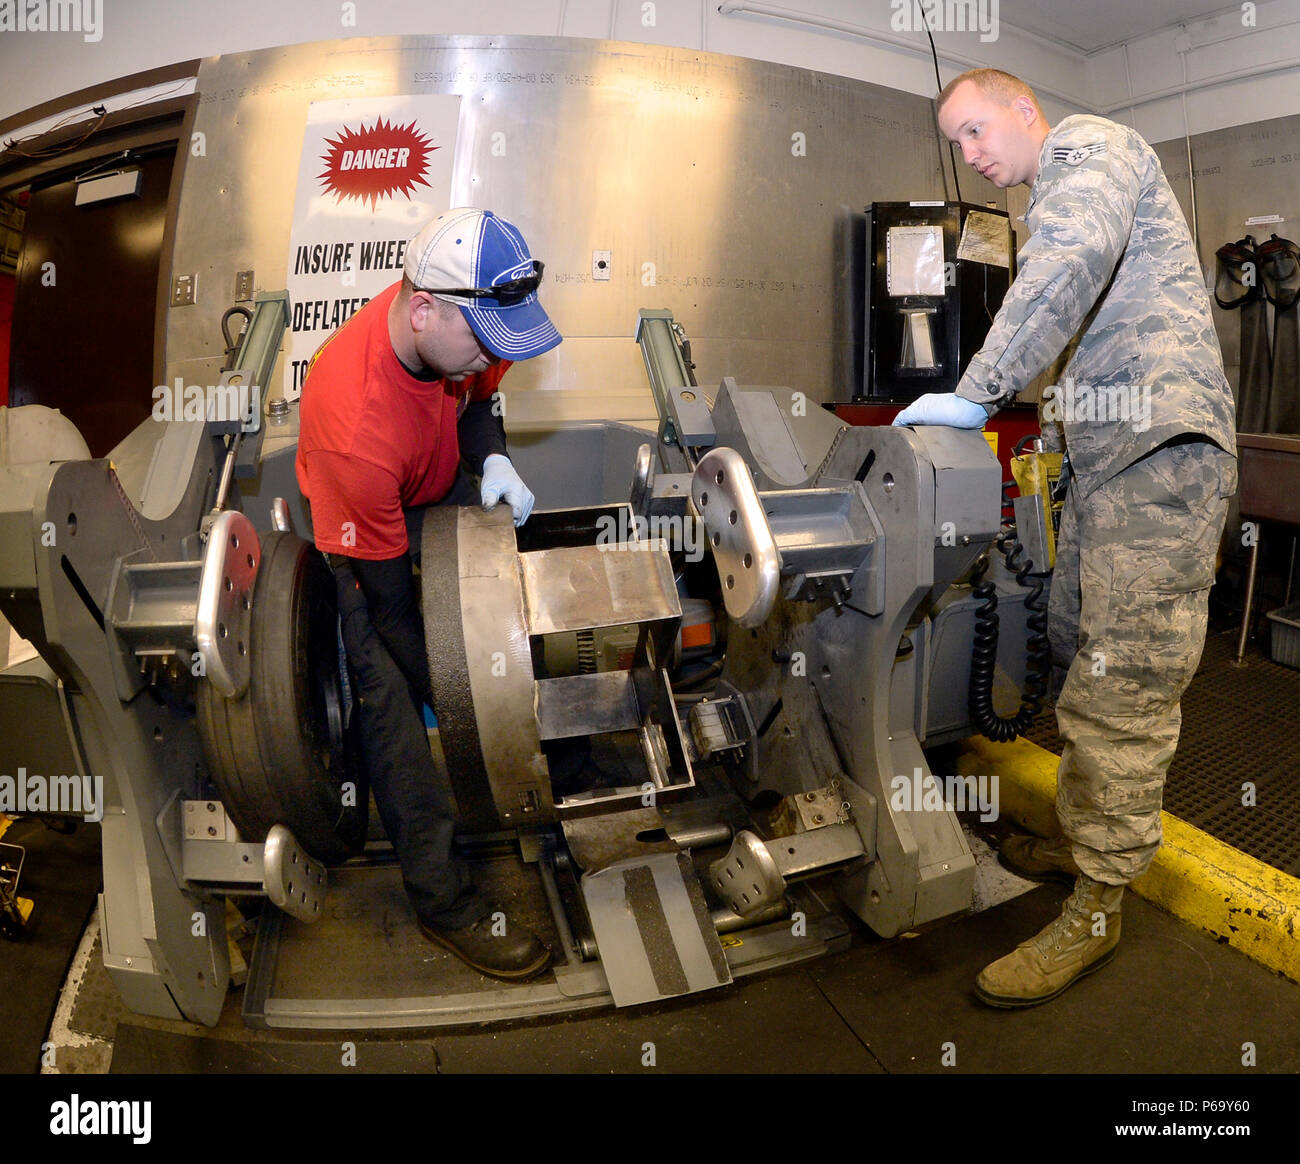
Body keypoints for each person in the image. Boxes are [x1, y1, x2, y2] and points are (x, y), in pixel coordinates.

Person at [894, 69, 1237, 1007]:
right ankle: (1089, 843)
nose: (971, 156)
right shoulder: (1056, 191)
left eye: (975, 130)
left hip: (1160, 455)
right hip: (1109, 461)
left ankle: (1100, 903)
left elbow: (1070, 263)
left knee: (1122, 686)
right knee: (1083, 650)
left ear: (1024, 110)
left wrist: (980, 388)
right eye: (956, 143)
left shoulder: (1092, 148)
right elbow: (1092, 334)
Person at [295, 207, 560, 979]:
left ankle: (558, 770)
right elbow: (391, 608)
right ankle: (445, 901)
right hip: (362, 537)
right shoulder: (354, 422)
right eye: (481, 342)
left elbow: (479, 401)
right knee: (389, 699)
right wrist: (464, 694)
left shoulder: (467, 319)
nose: (488, 356)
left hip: (432, 489)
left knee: (502, 617)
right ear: (421, 312)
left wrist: (495, 461)